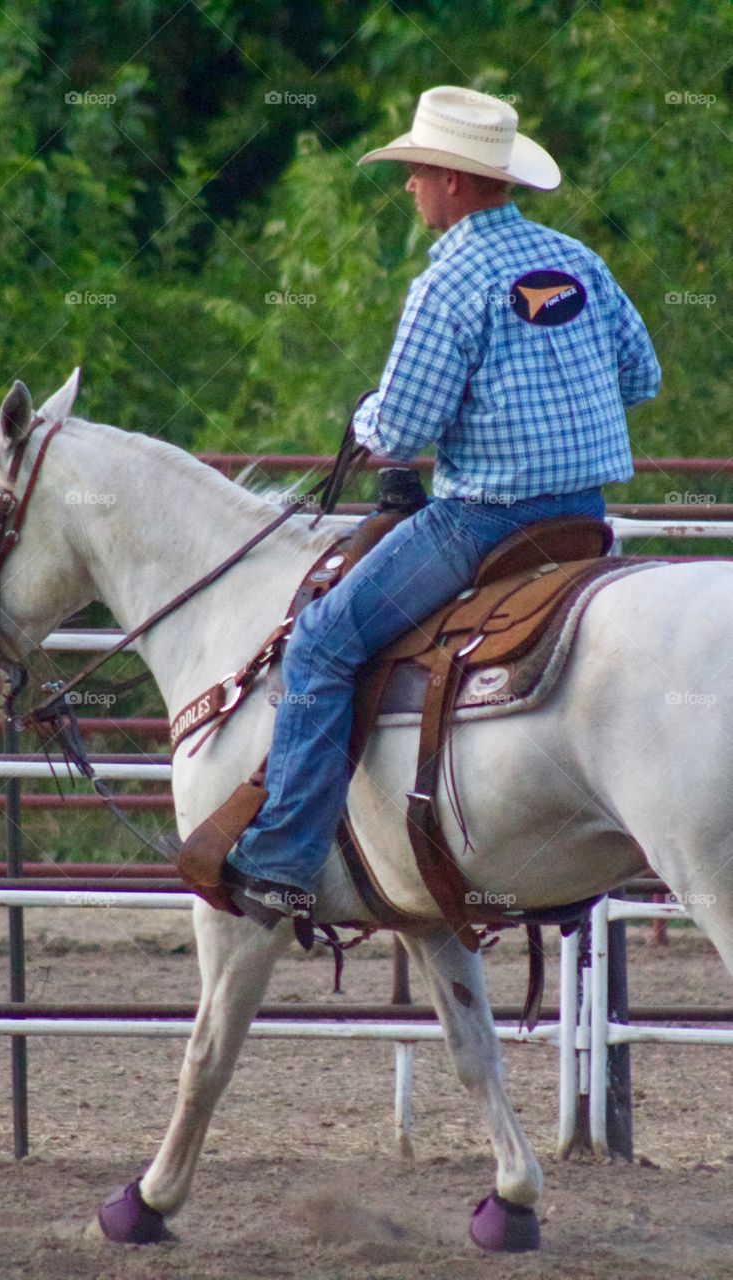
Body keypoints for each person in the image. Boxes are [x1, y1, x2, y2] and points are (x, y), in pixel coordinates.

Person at [220, 85, 660, 925]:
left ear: (456, 181)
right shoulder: (579, 262)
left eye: (418, 171)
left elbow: (403, 427)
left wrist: (365, 420)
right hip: (581, 519)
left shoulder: (448, 283)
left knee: (321, 642)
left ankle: (281, 859)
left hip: (483, 523)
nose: (411, 186)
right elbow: (643, 378)